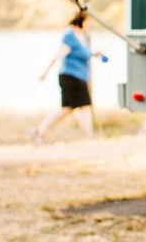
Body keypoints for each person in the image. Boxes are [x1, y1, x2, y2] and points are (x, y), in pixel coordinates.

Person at [29, 10, 100, 143]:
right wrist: (46, 71)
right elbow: (58, 55)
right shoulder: (70, 36)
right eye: (88, 22)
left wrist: (94, 54)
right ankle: (89, 138)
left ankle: (39, 130)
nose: (89, 25)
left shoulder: (81, 36)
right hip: (71, 76)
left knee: (68, 109)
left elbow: (82, 53)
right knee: (82, 106)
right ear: (82, 21)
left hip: (79, 76)